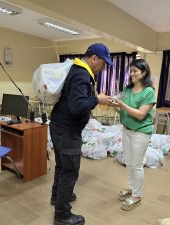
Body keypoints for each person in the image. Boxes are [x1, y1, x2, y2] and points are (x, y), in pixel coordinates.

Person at [49, 43, 113, 225]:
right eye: (103, 63)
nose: (103, 68)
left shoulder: (77, 69)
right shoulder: (81, 75)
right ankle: (62, 215)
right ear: (94, 58)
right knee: (69, 170)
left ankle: (58, 197)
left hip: (59, 126)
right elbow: (77, 107)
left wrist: (94, 98)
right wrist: (97, 99)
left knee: (62, 166)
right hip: (67, 130)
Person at [111, 59, 156, 211]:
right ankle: (131, 188)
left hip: (140, 132)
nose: (132, 74)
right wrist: (115, 106)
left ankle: (137, 196)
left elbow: (141, 115)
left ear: (144, 73)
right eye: (131, 71)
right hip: (127, 130)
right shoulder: (128, 89)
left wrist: (122, 105)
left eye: (135, 71)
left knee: (136, 164)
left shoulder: (149, 91)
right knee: (129, 162)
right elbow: (123, 111)